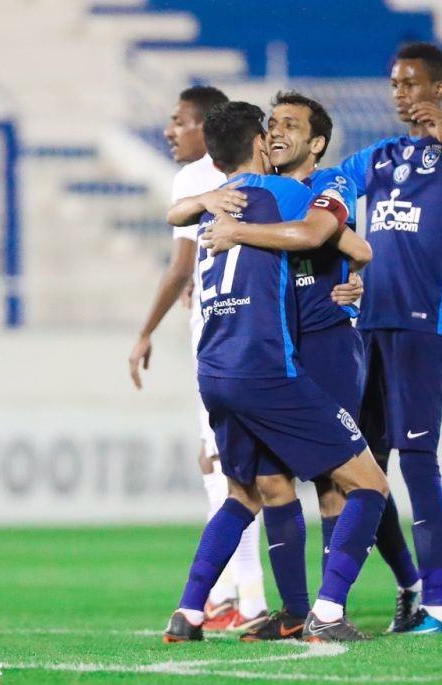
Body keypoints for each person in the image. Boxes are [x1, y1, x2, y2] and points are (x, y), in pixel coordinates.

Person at [162, 101, 390, 644]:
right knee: (368, 485)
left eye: (290, 124)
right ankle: (327, 613)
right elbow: (346, 242)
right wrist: (354, 263)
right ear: (261, 146)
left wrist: (205, 206)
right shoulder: (282, 193)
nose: (278, 134)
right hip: (265, 367)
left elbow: (174, 216)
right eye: (272, 128)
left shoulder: (211, 209)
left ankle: (190, 613)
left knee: (248, 491)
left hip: (212, 370)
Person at [335, 42, 442, 634]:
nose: (401, 94)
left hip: (421, 325)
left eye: (411, 84)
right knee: (360, 468)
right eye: (394, 85)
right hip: (368, 326)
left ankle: (438, 604)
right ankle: (406, 585)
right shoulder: (377, 158)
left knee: (417, 460)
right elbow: (325, 195)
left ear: (439, 88)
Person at [127, 86, 268, 632]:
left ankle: (246, 599)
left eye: (179, 121)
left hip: (220, 342)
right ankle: (234, 592)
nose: (170, 131)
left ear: (209, 131)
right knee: (225, 466)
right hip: (250, 335)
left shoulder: (195, 180)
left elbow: (179, 266)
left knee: (228, 471)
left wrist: (143, 333)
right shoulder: (263, 179)